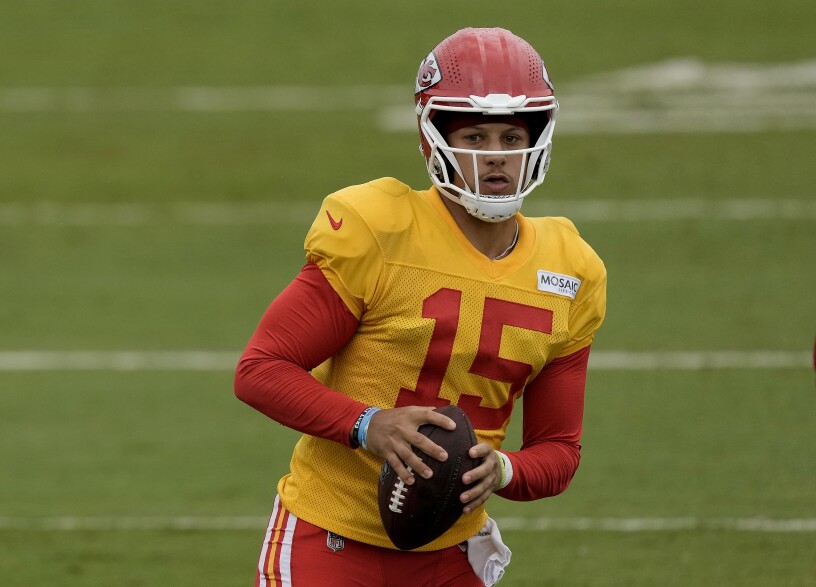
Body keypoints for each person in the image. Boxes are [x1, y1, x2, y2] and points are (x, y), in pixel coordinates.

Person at [234, 27, 607, 586]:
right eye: (475, 136)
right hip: (331, 538)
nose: (496, 157)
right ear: (432, 137)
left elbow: (557, 451)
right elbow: (260, 370)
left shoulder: (571, 269)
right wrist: (369, 425)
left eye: (510, 136)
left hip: (451, 553)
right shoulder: (378, 228)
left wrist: (501, 469)